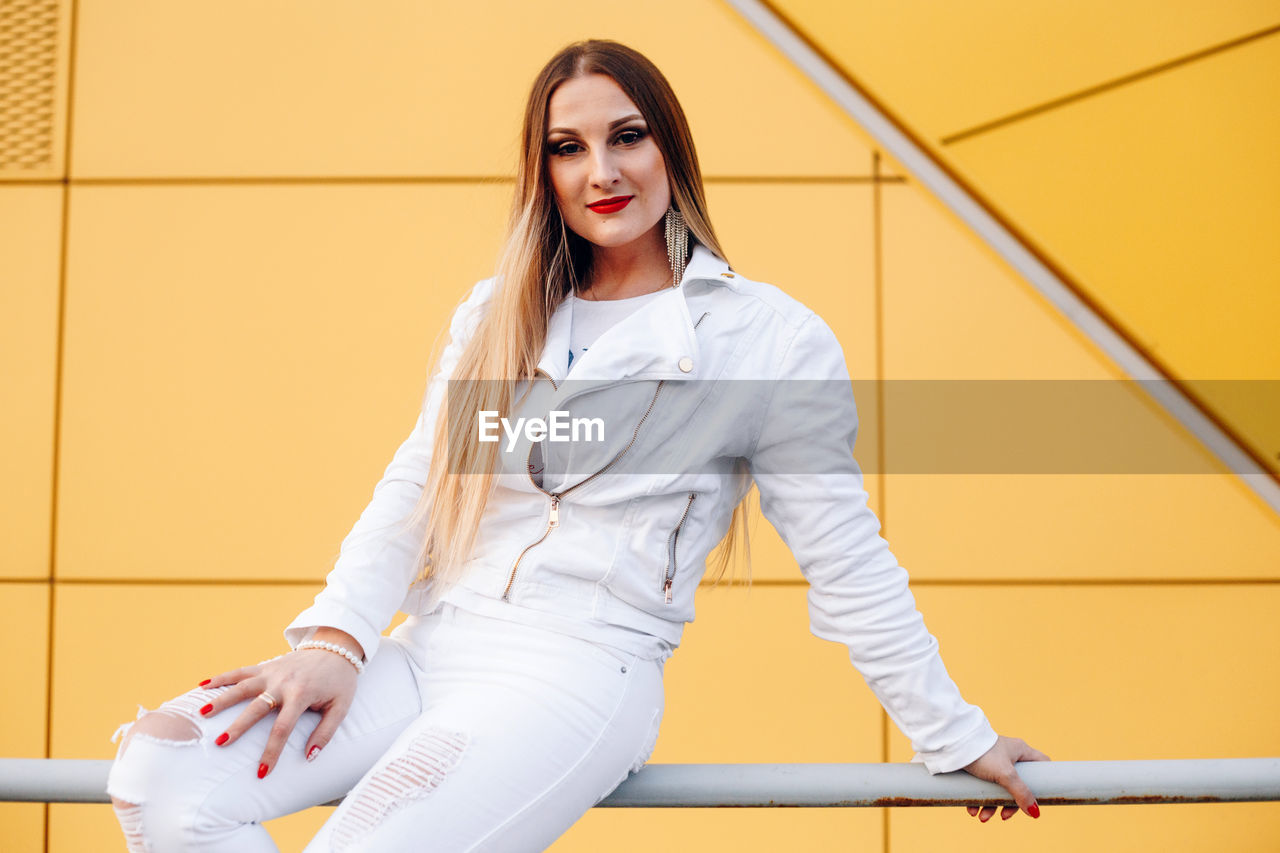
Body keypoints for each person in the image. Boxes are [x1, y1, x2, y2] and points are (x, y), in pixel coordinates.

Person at [107, 38, 1048, 852]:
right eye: (569, 148)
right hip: (431, 650)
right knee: (162, 769)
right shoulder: (498, 313)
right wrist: (336, 641)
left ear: (670, 149)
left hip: (576, 675)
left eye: (626, 136)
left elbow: (848, 562)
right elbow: (417, 489)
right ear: (543, 172)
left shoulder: (768, 338)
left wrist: (954, 734)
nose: (602, 170)